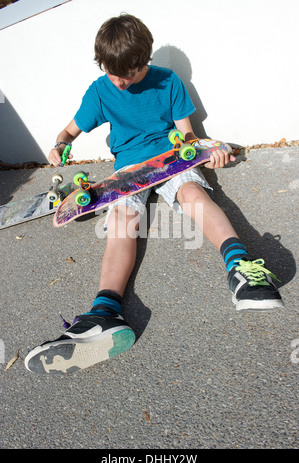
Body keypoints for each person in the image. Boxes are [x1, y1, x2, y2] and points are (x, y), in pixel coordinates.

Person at [25, 14, 283, 374]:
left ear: (143, 61)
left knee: (194, 194)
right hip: (127, 171)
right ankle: (105, 313)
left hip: (170, 161)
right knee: (121, 222)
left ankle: (243, 269)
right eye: (111, 73)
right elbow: (68, 132)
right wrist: (58, 146)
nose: (119, 81)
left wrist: (212, 152)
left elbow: (188, 136)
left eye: (127, 74)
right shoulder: (101, 90)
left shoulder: (168, 82)